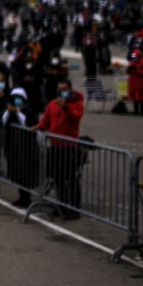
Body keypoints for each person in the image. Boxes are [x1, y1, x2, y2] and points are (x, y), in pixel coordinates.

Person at [36, 78, 85, 219]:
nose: (61, 92)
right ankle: (62, 204)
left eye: (64, 89)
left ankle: (74, 208)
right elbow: (46, 121)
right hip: (56, 146)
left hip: (69, 147)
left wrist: (65, 107)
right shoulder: (52, 103)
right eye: (59, 89)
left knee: (71, 178)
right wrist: (37, 127)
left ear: (70, 90)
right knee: (58, 178)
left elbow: (75, 118)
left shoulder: (77, 104)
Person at [2, 87, 39, 207]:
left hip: (27, 147)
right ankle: (21, 197)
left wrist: (18, 113)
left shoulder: (30, 111)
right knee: (17, 172)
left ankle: (26, 198)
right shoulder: (9, 111)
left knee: (26, 174)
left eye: (19, 99)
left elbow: (30, 124)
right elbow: (1, 122)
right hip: (13, 147)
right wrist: (8, 112)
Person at [126, 48, 143, 116]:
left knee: (142, 97)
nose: (135, 58)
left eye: (136, 56)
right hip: (133, 82)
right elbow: (128, 71)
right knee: (134, 96)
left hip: (141, 82)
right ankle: (136, 111)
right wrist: (130, 68)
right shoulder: (132, 62)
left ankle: (142, 111)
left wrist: (136, 71)